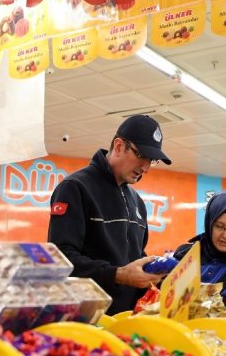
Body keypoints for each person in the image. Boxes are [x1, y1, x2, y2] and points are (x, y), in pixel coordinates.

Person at [48, 115, 171, 314]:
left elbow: (135, 256)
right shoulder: (75, 188)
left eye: (152, 160)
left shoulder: (138, 202)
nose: (146, 168)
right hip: (85, 319)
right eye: (141, 156)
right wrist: (118, 274)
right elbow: (60, 259)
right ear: (119, 145)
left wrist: (157, 273)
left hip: (127, 320)